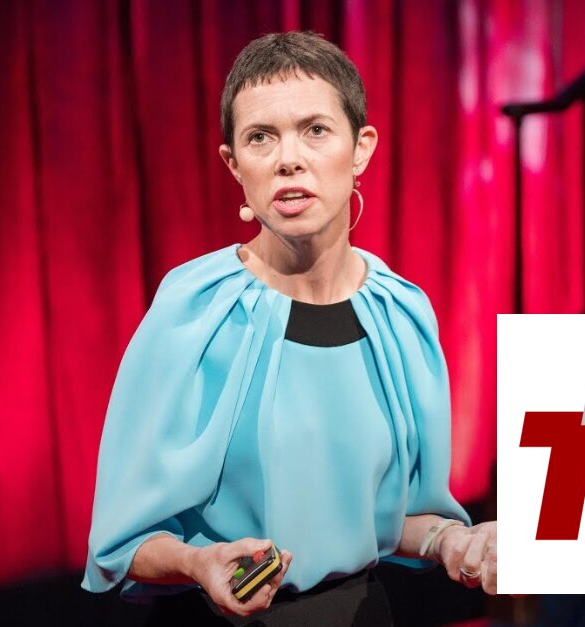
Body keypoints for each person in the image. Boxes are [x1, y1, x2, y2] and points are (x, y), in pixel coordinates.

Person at [81, 31, 498, 625]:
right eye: (260, 137)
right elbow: (125, 541)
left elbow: (398, 517)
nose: (288, 159)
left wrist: (453, 540)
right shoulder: (193, 310)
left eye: (315, 130)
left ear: (361, 149)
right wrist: (199, 562)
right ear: (234, 165)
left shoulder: (401, 312)